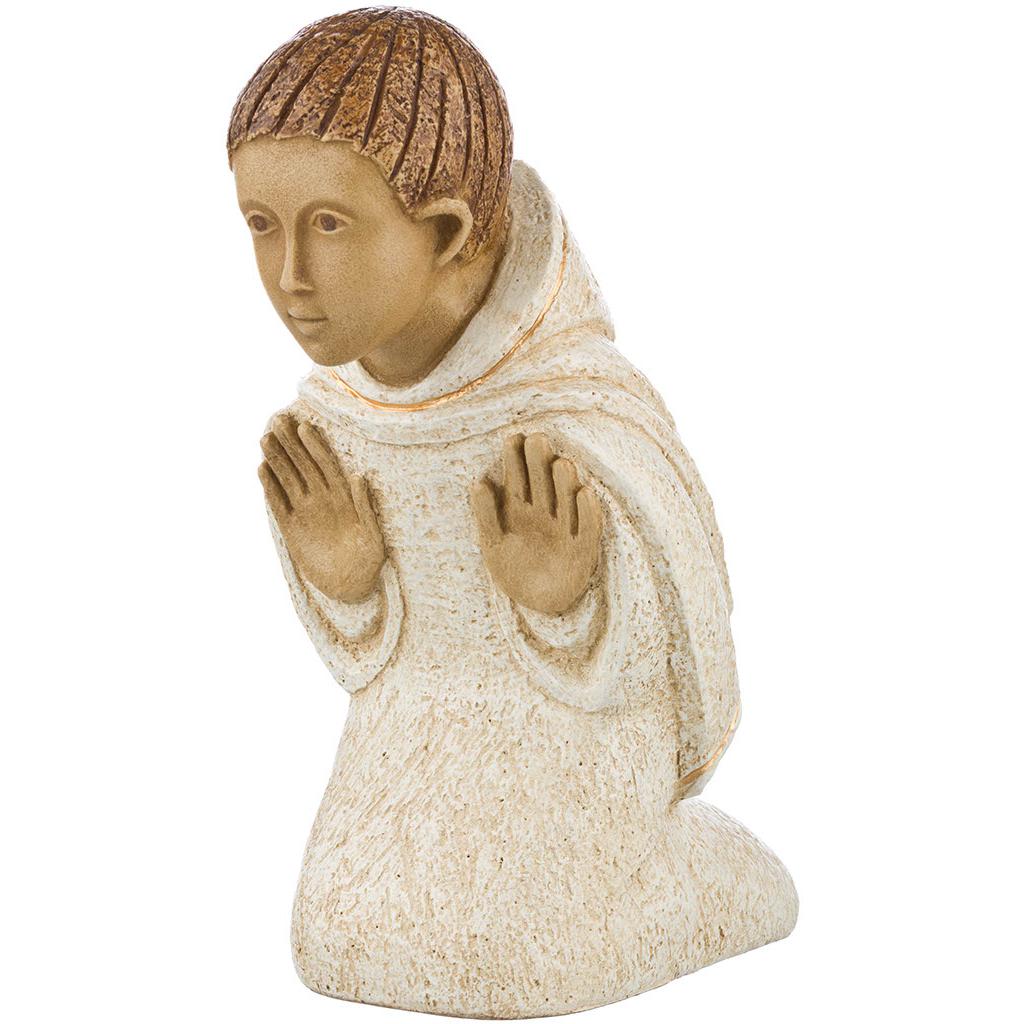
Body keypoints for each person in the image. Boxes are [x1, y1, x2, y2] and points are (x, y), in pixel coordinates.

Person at [229, 8, 797, 1017]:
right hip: (419, 722)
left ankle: (706, 867)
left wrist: (570, 600)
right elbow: (372, 666)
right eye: (261, 225)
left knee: (514, 956)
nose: (290, 278)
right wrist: (348, 583)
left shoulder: (579, 411)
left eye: (330, 225)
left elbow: (681, 660)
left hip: (581, 736)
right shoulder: (333, 417)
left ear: (448, 233)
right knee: (336, 936)